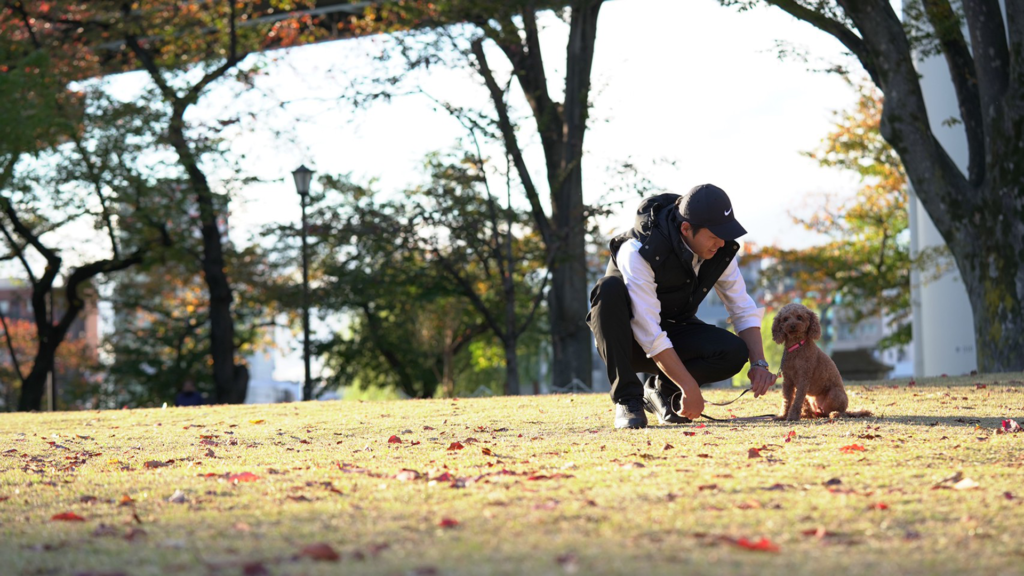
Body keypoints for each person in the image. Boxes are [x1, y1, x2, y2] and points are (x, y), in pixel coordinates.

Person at [586, 184, 777, 429]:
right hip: (627, 340)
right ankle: (628, 399)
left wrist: (759, 363)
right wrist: (689, 385)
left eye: (725, 234)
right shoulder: (638, 250)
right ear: (686, 229)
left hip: (675, 327)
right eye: (715, 235)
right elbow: (648, 330)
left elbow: (741, 307)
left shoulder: (719, 248)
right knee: (608, 288)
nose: (721, 243)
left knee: (735, 351)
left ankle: (661, 390)